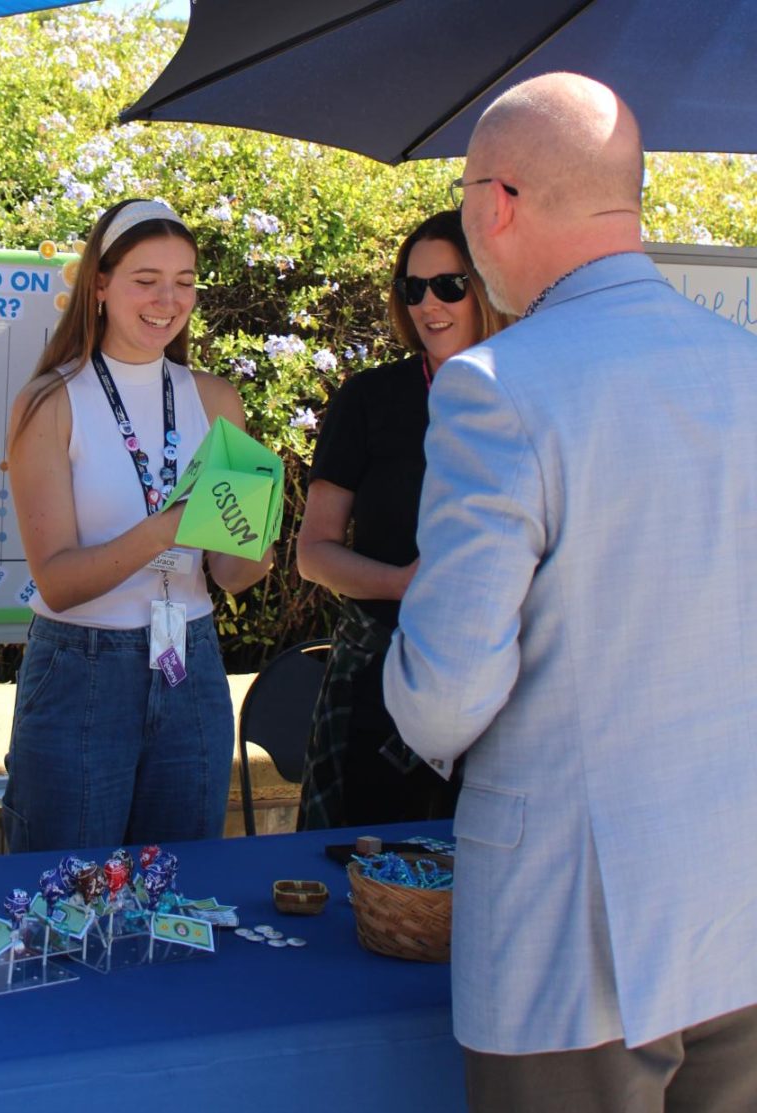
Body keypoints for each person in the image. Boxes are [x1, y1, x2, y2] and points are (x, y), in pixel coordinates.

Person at [383, 72, 757, 1112]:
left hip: (573, 928)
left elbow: (445, 694)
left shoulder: (496, 387)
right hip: (740, 903)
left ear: (495, 203)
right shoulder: (748, 368)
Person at [3, 198, 271, 853]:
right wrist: (169, 527)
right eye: (146, 280)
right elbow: (58, 582)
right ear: (99, 284)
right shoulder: (50, 400)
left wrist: (257, 525)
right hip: (80, 670)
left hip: (190, 661)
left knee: (177, 894)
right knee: (68, 894)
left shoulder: (215, 397)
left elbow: (236, 575)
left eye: (184, 282)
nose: (167, 299)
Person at [295, 211, 508, 829]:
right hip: (382, 685)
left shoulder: (528, 394)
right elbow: (314, 552)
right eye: (413, 288)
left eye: (449, 285)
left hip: (503, 688)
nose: (428, 304)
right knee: (369, 890)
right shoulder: (371, 399)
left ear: (487, 286)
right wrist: (403, 583)